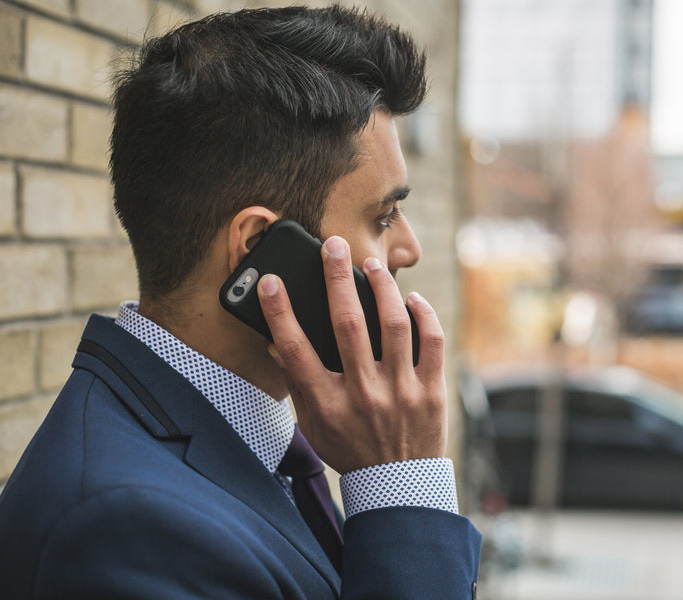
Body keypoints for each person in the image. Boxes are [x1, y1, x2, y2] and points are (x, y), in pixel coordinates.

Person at [0, 5, 481, 599]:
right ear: (259, 253)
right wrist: (403, 490)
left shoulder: (265, 437)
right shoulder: (121, 529)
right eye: (383, 217)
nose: (408, 248)